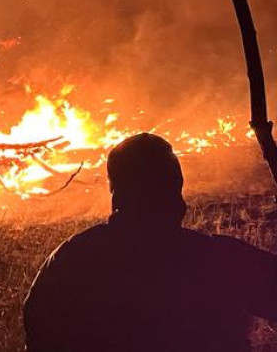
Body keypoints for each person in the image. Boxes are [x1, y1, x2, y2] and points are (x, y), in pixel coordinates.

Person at [23, 132, 277, 352]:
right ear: (175, 191)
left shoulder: (70, 261)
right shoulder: (219, 261)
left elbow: (39, 334)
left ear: (115, 192)